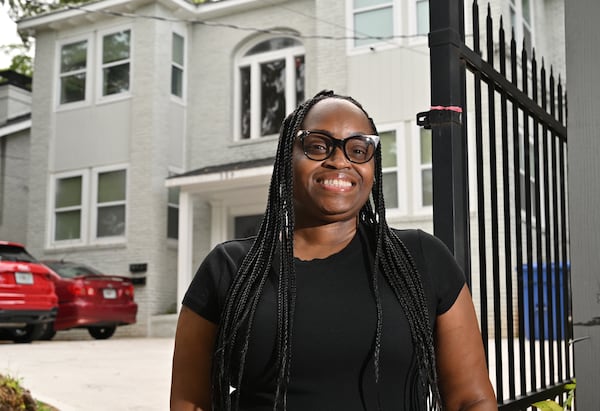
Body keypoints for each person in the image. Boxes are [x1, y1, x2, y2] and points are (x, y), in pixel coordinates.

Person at [170, 90, 497, 411]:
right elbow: (192, 402)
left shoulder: (421, 258)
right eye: (317, 146)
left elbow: (471, 399)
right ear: (288, 157)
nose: (339, 160)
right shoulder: (229, 268)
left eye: (358, 149)